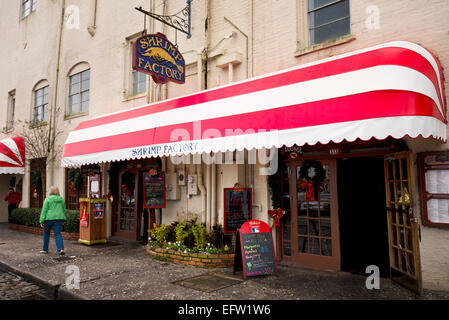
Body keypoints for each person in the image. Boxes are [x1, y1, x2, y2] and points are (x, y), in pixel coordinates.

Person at [39, 186, 67, 255]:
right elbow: (64, 209)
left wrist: (41, 221)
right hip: (59, 219)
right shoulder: (61, 199)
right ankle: (61, 249)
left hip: (48, 219)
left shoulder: (47, 199)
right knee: (57, 234)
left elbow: (44, 211)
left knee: (46, 234)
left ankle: (45, 250)